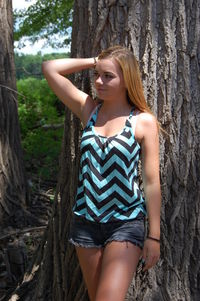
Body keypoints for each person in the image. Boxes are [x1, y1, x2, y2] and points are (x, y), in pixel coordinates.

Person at [42, 45, 161, 301]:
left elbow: (152, 182)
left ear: (126, 78)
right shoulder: (89, 110)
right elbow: (50, 68)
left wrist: (154, 236)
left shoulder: (142, 121)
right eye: (98, 75)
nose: (98, 81)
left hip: (125, 222)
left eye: (108, 76)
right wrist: (96, 60)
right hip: (85, 222)